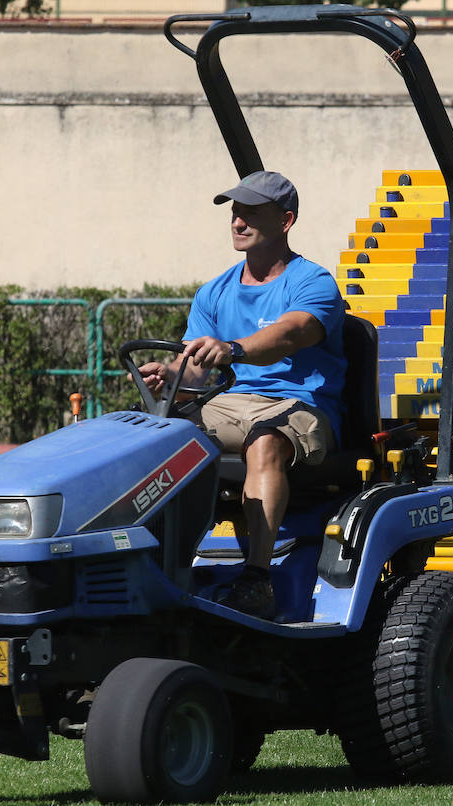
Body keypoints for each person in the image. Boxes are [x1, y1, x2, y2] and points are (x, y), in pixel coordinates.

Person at [140, 171, 346, 619]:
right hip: (230, 404)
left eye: (252, 212)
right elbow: (195, 365)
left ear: (286, 220)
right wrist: (170, 375)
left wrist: (234, 350)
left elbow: (291, 334)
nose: (238, 221)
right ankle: (154, 562)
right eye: (235, 212)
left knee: (265, 439)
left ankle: (256, 579)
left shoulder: (313, 282)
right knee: (151, 437)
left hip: (300, 405)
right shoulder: (213, 291)